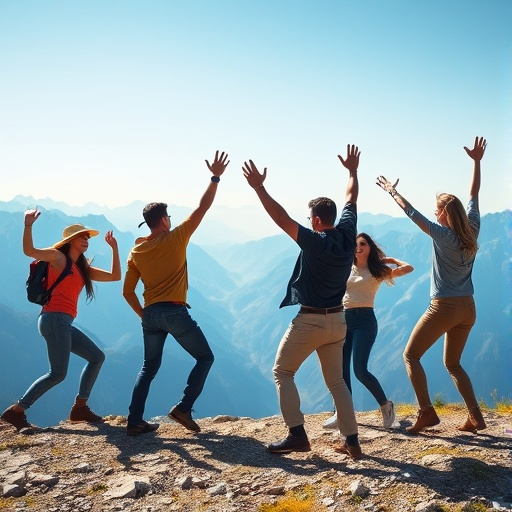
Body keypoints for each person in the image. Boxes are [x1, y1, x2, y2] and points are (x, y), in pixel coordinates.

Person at [242, 144, 363, 459]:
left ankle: (297, 435)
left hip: (310, 321)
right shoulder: (349, 232)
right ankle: (352, 442)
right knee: (337, 382)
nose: (308, 222)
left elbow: (281, 218)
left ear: (317, 220)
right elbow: (351, 197)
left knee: (282, 371)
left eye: (310, 218)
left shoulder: (315, 241)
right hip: (339, 321)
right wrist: (352, 171)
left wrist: (259, 188)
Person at [376, 136, 487, 434]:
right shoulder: (472, 230)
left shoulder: (444, 235)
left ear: (444, 214)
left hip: (445, 306)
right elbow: (474, 194)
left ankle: (426, 412)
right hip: (468, 307)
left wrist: (392, 191)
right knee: (453, 363)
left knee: (411, 355)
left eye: (437, 211)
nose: (435, 214)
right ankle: (475, 416)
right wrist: (477, 162)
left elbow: (411, 213)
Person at [123, 150, 230, 436]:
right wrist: (215, 177)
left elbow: (127, 291)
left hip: (151, 315)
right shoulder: (176, 238)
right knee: (205, 358)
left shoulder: (136, 251)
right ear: (165, 220)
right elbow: (202, 207)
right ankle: (183, 408)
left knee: (148, 368)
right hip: (175, 311)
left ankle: (134, 421)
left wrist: (144, 315)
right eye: (169, 216)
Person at [1, 213, 121, 434]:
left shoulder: (82, 268)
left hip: (61, 322)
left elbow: (115, 276)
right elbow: (30, 251)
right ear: (71, 240)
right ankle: (16, 411)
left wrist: (114, 248)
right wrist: (27, 225)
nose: (86, 239)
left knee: (97, 357)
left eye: (87, 237)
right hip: (54, 319)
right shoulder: (58, 258)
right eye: (82, 236)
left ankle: (80, 408)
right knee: (57, 373)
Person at [323, 233, 414, 430]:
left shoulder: (377, 271)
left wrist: (391, 260)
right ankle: (342, 413)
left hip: (365, 322)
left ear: (370, 248)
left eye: (363, 244)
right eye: (355, 244)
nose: (358, 247)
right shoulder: (347, 267)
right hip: (343, 320)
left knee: (360, 370)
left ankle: (386, 407)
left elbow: (408, 268)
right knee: (341, 370)